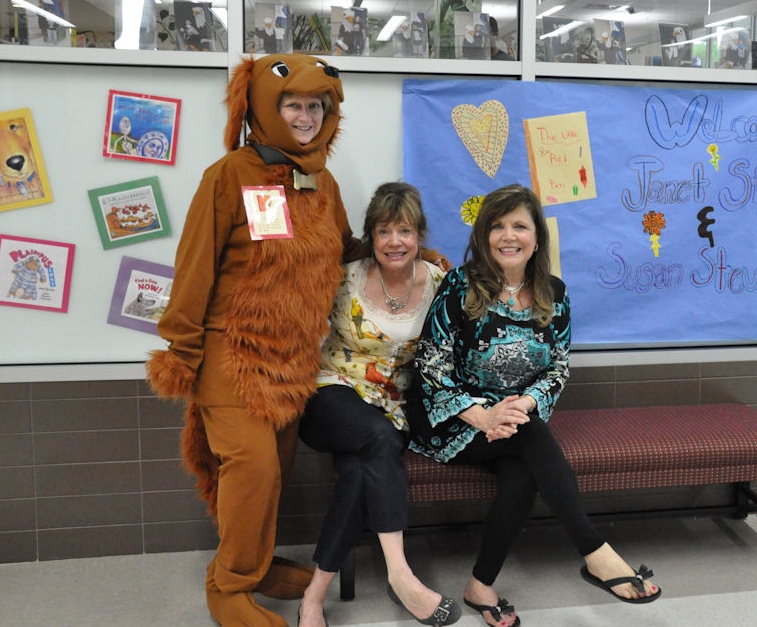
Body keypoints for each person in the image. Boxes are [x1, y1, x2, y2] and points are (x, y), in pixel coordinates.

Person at [145, 54, 449, 627]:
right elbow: (194, 270)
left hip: (292, 363)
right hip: (230, 356)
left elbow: (343, 249)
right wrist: (181, 352)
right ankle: (231, 585)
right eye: (293, 105)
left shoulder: (321, 182)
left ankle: (256, 566)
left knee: (271, 478)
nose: (305, 116)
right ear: (266, 107)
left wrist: (414, 253)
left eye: (315, 106)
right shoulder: (229, 175)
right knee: (252, 469)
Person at [406, 184, 662, 627]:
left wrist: (522, 403)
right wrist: (484, 414)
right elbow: (429, 365)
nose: (509, 236)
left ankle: (479, 586)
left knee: (524, 467)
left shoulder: (554, 293)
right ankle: (594, 552)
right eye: (498, 226)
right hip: (454, 421)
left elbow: (559, 367)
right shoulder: (459, 286)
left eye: (520, 226)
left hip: (516, 422)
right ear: (484, 234)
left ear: (536, 238)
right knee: (530, 434)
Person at [297, 182, 459, 627]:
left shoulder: (442, 283)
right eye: (384, 231)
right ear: (371, 236)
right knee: (378, 437)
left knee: (357, 471)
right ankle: (401, 574)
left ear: (419, 235)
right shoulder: (343, 274)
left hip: (394, 405)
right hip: (331, 394)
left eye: (404, 231)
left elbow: (459, 343)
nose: (394, 242)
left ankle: (313, 597)